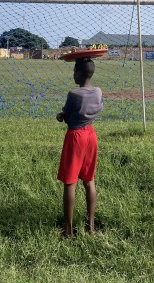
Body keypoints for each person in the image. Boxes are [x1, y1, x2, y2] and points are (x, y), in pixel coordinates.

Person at [56, 58, 102, 237]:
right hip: (91, 135)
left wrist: (62, 116)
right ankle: (90, 226)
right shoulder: (98, 91)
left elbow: (67, 114)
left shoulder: (74, 94)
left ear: (80, 74)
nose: (73, 74)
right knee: (89, 180)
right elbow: (96, 109)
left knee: (70, 182)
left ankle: (68, 230)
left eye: (74, 71)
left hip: (75, 137)